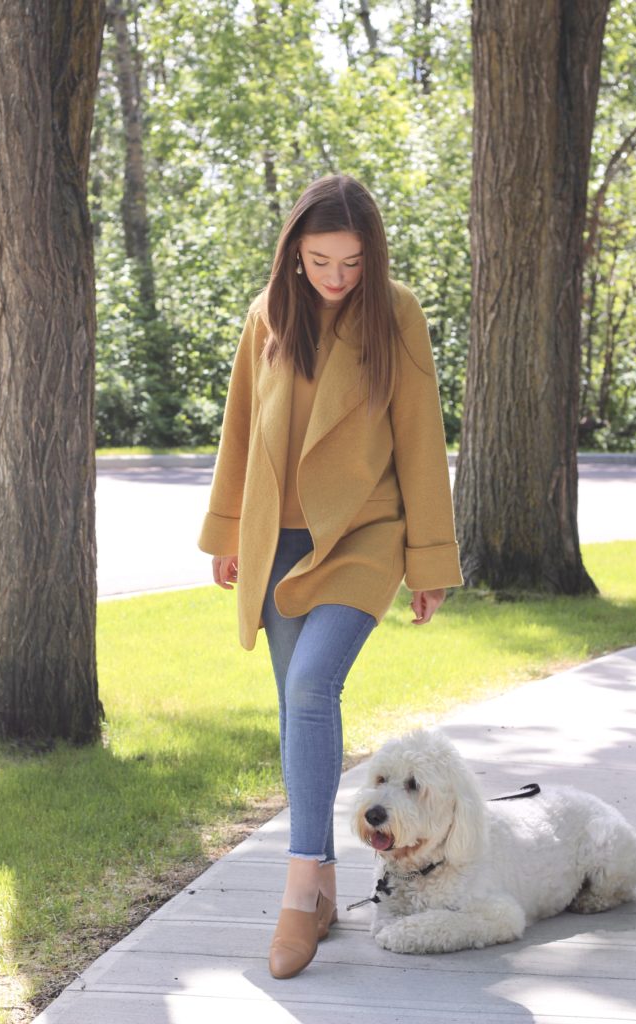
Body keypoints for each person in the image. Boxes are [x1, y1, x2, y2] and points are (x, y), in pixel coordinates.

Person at [198, 174, 462, 979]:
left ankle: (295, 888)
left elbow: (421, 439)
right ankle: (319, 890)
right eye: (320, 261)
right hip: (275, 541)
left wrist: (428, 559)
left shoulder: (397, 313)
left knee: (313, 688)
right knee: (294, 707)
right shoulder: (268, 314)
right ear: (295, 253)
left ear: (369, 255)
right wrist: (224, 531)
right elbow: (240, 424)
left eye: (351, 262)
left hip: (363, 535)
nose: (336, 278)